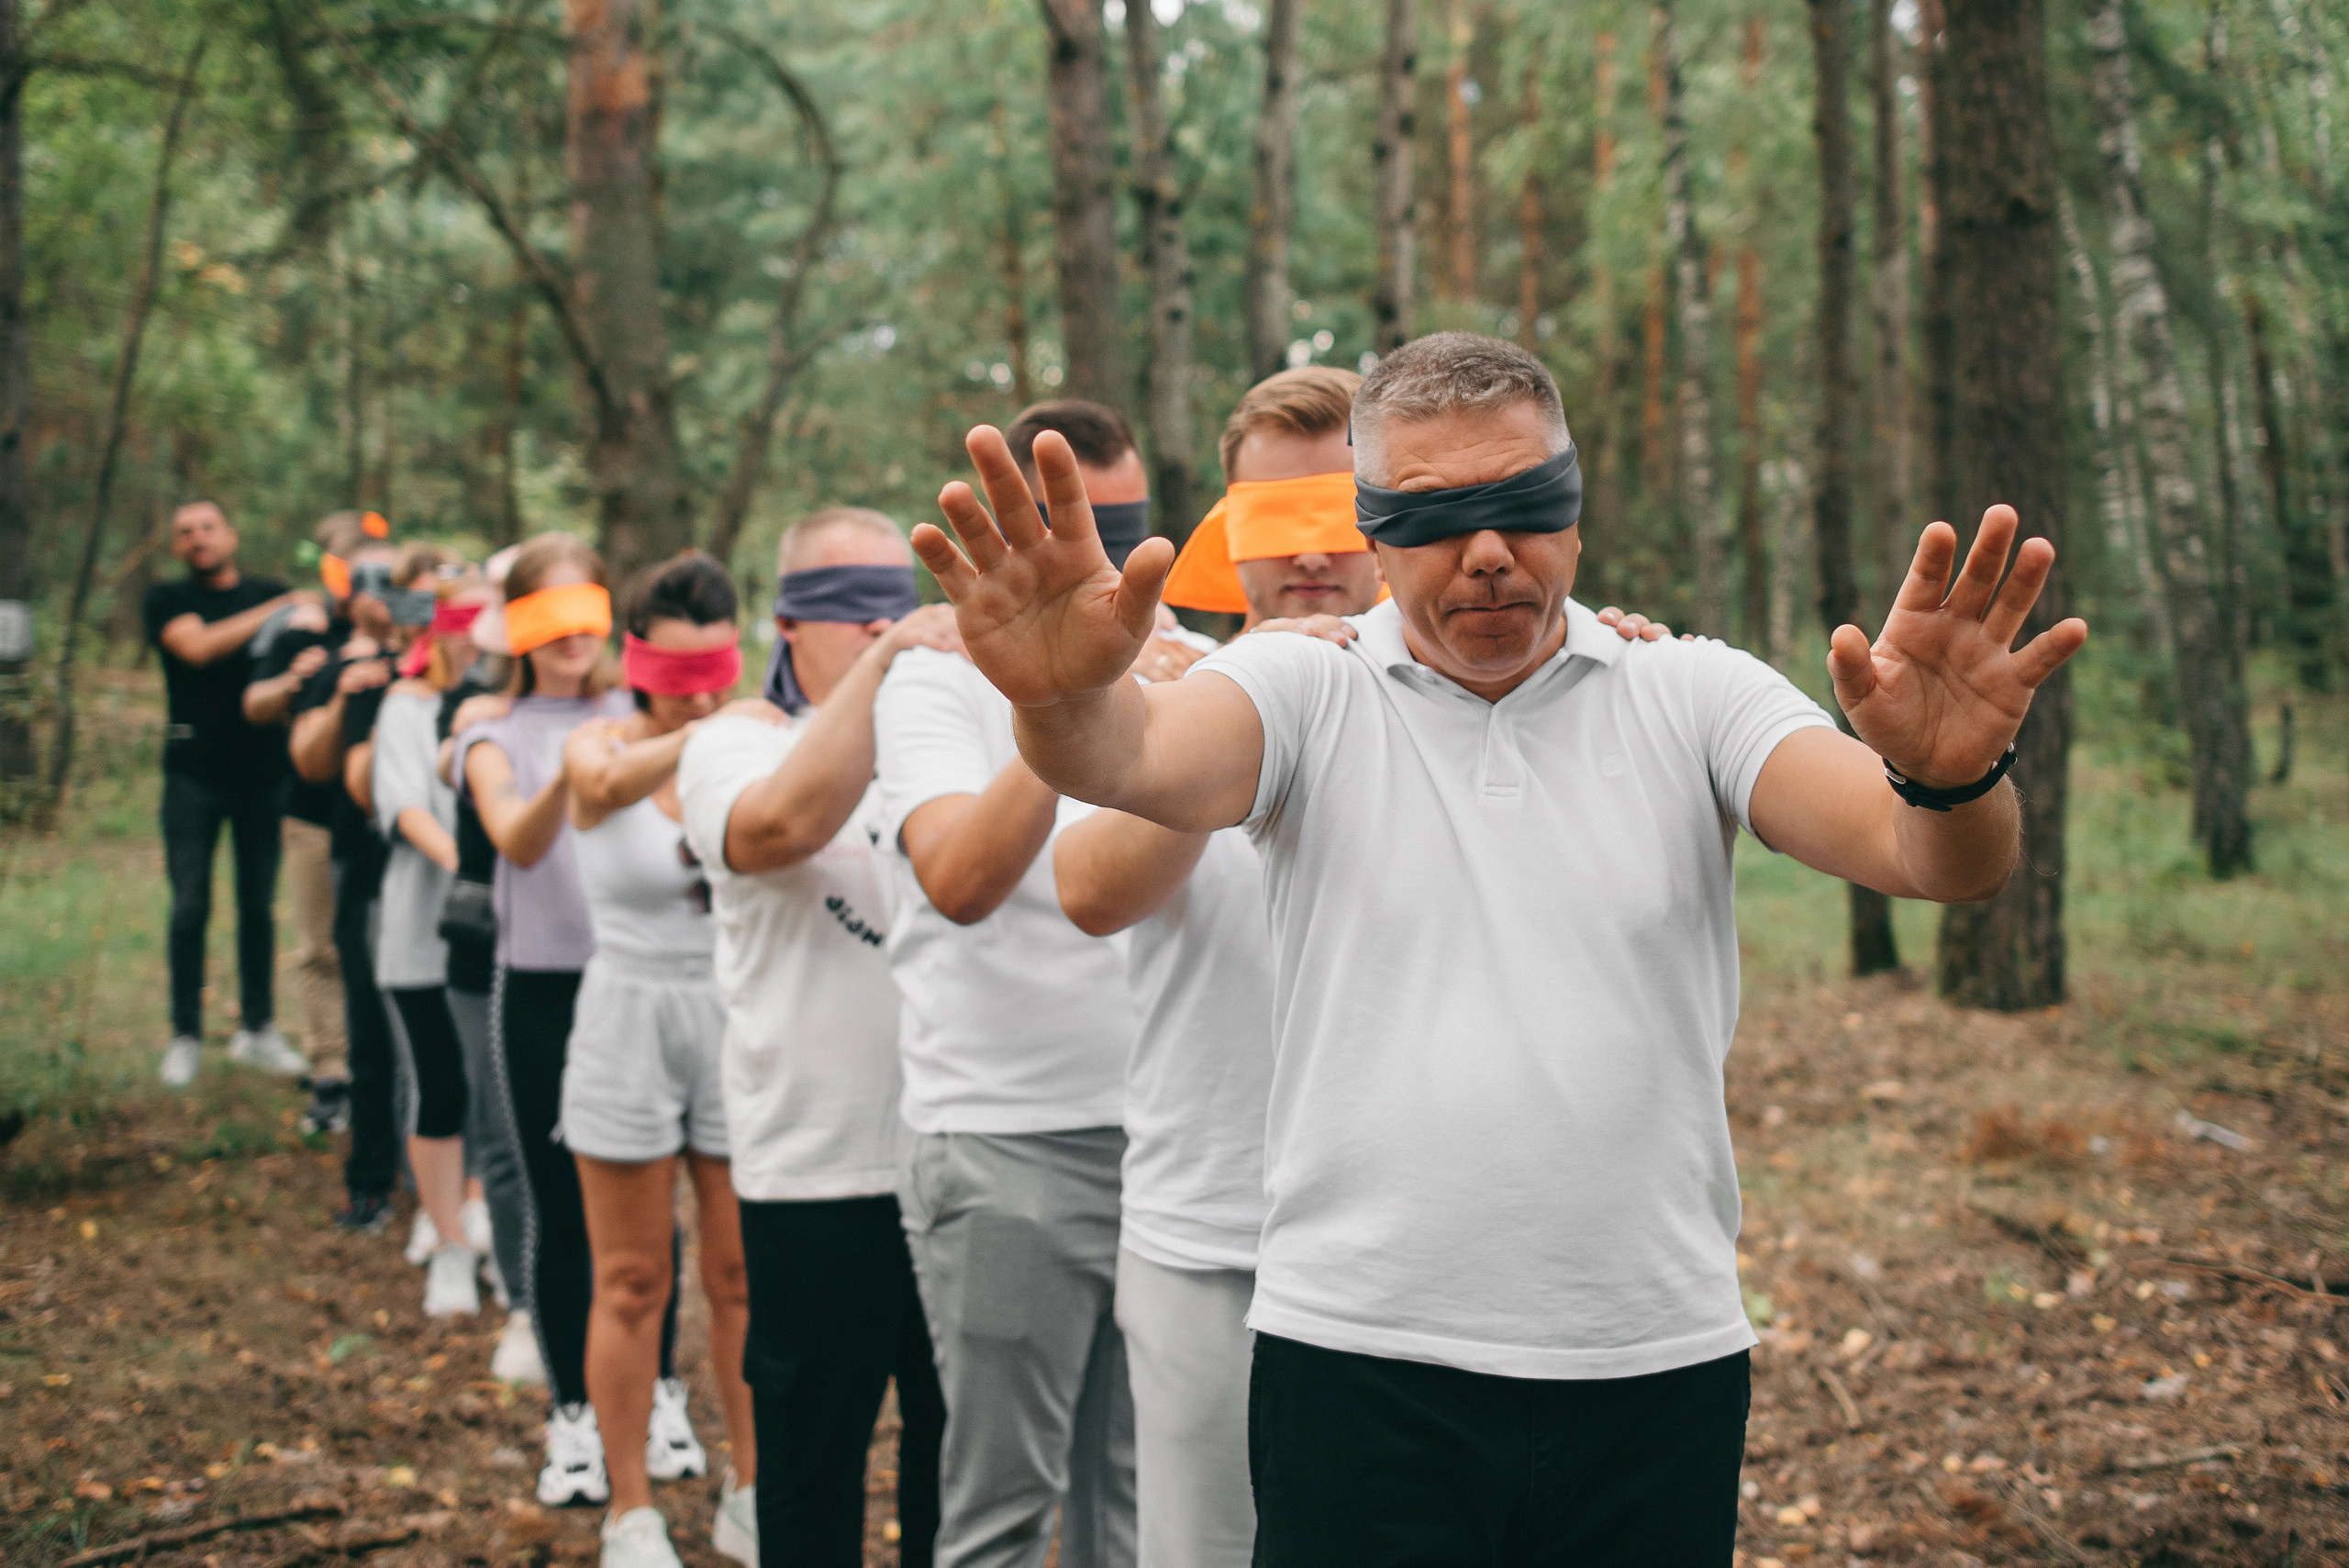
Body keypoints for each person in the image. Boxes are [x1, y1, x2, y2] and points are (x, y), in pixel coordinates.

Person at [911, 331, 2090, 1565]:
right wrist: (1057, 699)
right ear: (1372, 534)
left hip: (1651, 1358)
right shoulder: (1306, 690)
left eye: (1524, 505)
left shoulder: (1690, 692)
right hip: (1359, 1362)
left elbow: (1929, 857)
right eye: (1432, 517)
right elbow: (1129, 761)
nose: (1487, 552)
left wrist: (1953, 776)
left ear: (1576, 515)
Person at [1056, 367, 1661, 1568]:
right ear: (1230, 533)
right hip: (1212, 1231)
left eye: (1344, 518)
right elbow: (1089, 889)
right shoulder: (1166, 695)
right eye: (1276, 526)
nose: (1314, 558)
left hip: (1428, 1266)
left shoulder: (1529, 681)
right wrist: (1243, 705)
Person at [874, 400, 1155, 1568]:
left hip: (1174, 1149)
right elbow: (958, 876)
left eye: (1122, 519)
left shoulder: (1196, 656)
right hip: (1004, 1147)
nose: (1093, 547)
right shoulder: (937, 682)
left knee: (1136, 1512)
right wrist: (1063, 698)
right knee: (997, 1509)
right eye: (1066, 522)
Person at [678, 508, 957, 1568]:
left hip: (957, 1157)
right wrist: (891, 663)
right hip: (812, 1173)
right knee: (807, 1472)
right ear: (790, 621)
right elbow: (774, 830)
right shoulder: (734, 741)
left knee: (958, 1467)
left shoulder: (958, 733)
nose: (884, 623)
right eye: (855, 609)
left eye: (901, 599)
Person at [452, 535, 690, 1518]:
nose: (572, 641)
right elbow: (517, 835)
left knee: (658, 1209)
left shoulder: (640, 715)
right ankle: (574, 1412)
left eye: (586, 619)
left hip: (645, 986)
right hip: (545, 992)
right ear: (516, 629)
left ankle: (662, 1390)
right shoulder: (490, 728)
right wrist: (581, 765)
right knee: (565, 1209)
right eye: (548, 622)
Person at [558, 551, 757, 1568]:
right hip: (625, 1021)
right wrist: (708, 731)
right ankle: (628, 1507)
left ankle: (751, 1488)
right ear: (640, 666)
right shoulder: (602, 743)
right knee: (633, 1277)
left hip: (735, 1016)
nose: (704, 694)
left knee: (738, 1273)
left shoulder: (753, 734)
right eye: (680, 677)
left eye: (717, 672)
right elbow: (595, 784)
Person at [142, 499, 317, 1086]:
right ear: (176, 547)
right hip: (192, 775)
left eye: (207, 527)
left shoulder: (271, 590)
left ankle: (259, 1030)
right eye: (184, 531)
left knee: (258, 907)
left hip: (265, 775)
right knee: (189, 905)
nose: (197, 538)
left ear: (231, 534)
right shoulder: (168, 600)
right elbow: (197, 648)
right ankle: (185, 1036)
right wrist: (281, 608)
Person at [372, 562, 496, 1319]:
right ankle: (448, 1243)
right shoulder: (405, 709)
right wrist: (476, 870)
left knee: (493, 1091)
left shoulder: (502, 707)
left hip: (498, 940)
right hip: (423, 929)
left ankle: (487, 1221)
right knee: (439, 1085)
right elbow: (405, 806)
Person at [245, 510, 394, 1131]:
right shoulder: (305, 633)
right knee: (322, 945)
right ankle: (331, 1071)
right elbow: (255, 705)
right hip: (314, 812)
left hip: (382, 819)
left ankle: (383, 1071)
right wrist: (296, 683)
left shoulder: (414, 643)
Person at [287, 527, 417, 1232]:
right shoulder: (335, 666)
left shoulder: (445, 674)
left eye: (395, 583)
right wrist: (345, 693)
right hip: (361, 860)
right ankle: (370, 1178)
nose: (383, 595)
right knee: (368, 1021)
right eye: (369, 582)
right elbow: (309, 761)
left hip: (433, 872)